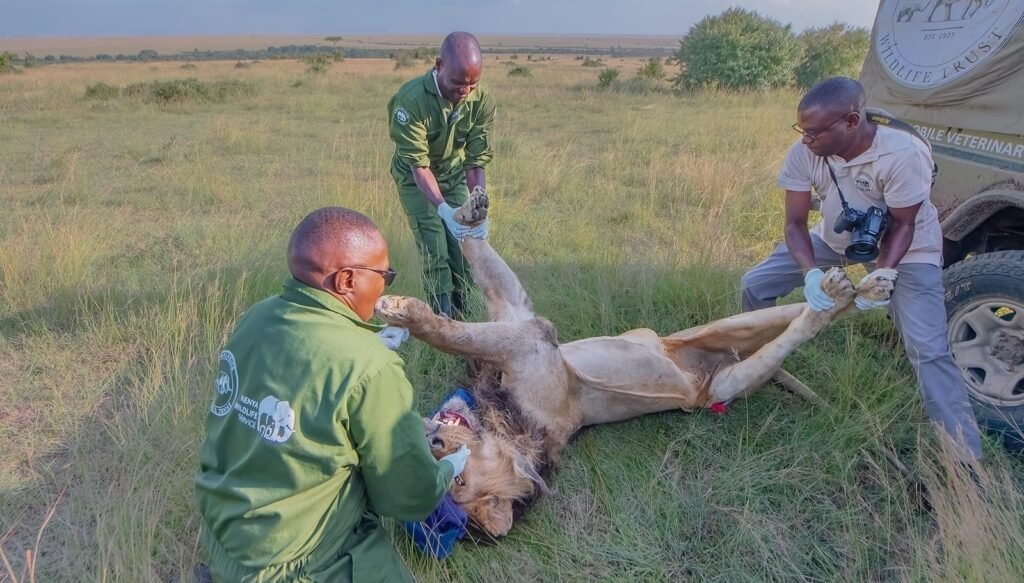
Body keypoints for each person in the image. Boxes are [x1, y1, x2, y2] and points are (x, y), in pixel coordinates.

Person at [195, 207, 471, 582]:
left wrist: (364, 345)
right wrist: (444, 470)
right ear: (345, 280)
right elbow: (407, 497)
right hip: (297, 562)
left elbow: (300, 375)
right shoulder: (369, 366)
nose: (386, 287)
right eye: (385, 275)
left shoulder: (256, 319)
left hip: (224, 539)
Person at [739, 77, 983, 461]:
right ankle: (755, 367)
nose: (806, 139)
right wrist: (809, 273)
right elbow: (794, 224)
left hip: (909, 246)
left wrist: (883, 274)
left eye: (815, 132)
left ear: (851, 121)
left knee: (927, 348)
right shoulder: (805, 152)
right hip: (834, 240)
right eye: (802, 130)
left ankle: (964, 459)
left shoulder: (904, 154)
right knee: (754, 284)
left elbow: (903, 225)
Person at [387, 31, 495, 318]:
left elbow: (475, 161)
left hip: (453, 173)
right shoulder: (410, 101)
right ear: (438, 65)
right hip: (416, 178)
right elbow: (419, 166)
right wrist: (444, 210)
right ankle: (441, 322)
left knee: (464, 244)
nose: (465, 91)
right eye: (458, 82)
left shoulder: (480, 100)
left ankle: (464, 316)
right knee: (435, 246)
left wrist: (479, 205)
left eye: (473, 83)